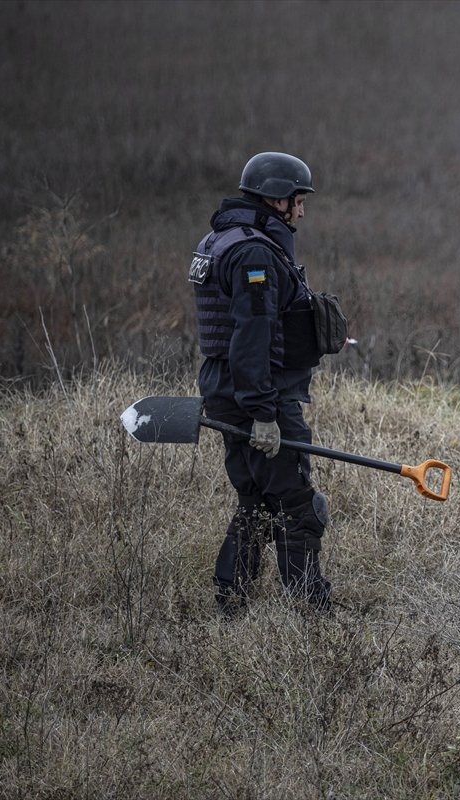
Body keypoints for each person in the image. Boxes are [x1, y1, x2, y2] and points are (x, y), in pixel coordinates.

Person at [189, 151, 344, 614]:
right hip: (258, 394)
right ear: (277, 200)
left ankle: (231, 601)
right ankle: (311, 609)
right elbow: (251, 335)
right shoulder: (254, 252)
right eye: (298, 200)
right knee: (298, 504)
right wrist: (263, 414)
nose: (302, 211)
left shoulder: (220, 240)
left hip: (226, 389)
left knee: (254, 499)